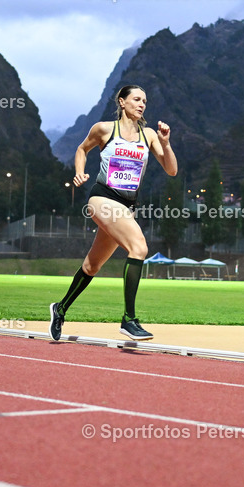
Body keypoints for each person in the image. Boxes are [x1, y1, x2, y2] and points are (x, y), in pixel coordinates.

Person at [48, 84, 177, 341]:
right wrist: (79, 172)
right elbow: (82, 149)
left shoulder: (149, 135)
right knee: (138, 247)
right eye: (137, 99)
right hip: (103, 198)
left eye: (145, 101)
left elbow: (171, 170)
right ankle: (129, 319)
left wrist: (165, 143)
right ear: (122, 102)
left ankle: (60, 309)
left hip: (126, 207)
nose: (142, 104)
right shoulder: (104, 129)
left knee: (92, 265)